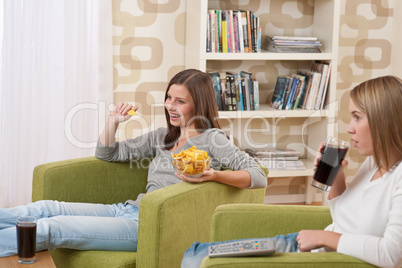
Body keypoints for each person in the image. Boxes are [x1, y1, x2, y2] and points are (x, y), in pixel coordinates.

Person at [0, 69, 267, 257]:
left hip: (149, 226)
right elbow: (107, 153)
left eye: (180, 101)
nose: (170, 106)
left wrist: (213, 176)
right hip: (126, 211)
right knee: (46, 208)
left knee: (53, 228)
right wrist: (113, 122)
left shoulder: (213, 139)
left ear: (199, 104)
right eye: (168, 98)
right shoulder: (164, 136)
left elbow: (257, 175)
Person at [181, 75, 402, 268]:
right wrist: (336, 179)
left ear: (382, 119)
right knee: (195, 254)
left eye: (357, 117)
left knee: (195, 261)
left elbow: (391, 254)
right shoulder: (374, 162)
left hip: (312, 255)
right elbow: (345, 219)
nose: (349, 127)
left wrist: (326, 237)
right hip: (304, 245)